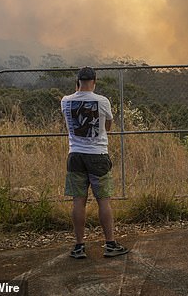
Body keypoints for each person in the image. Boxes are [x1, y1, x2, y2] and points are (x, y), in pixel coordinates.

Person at [61, 66, 129, 259]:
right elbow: (108, 125)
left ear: (77, 82)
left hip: (75, 155)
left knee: (78, 201)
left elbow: (68, 124)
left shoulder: (65, 101)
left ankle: (79, 246)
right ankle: (110, 244)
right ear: (95, 81)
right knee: (104, 201)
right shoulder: (102, 101)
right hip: (98, 155)